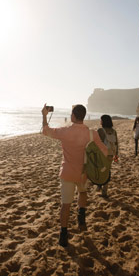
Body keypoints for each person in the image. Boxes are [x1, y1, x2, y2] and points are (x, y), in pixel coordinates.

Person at [41, 103, 107, 247]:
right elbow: (105, 152)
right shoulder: (92, 133)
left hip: (67, 173)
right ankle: (81, 216)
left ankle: (63, 234)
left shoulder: (65, 131)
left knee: (66, 205)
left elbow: (45, 131)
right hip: (84, 173)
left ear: (73, 116)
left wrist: (45, 116)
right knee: (82, 193)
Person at [96, 114, 119, 198]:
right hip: (110, 154)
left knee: (99, 170)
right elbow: (116, 144)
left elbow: (97, 143)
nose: (100, 121)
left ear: (103, 121)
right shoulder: (113, 131)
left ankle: (99, 185)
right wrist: (116, 156)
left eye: (101, 120)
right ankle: (104, 190)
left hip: (102, 154)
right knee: (107, 171)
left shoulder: (100, 130)